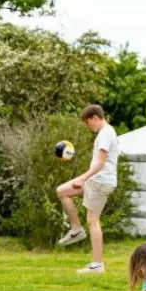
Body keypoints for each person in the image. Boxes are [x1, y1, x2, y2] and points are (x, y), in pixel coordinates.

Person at [56, 104, 118, 274]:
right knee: (62, 191)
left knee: (93, 220)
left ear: (94, 118)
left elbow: (100, 163)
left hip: (100, 182)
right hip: (96, 180)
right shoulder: (106, 132)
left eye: (87, 123)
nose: (87, 127)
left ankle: (97, 265)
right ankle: (76, 229)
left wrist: (82, 178)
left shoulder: (105, 134)